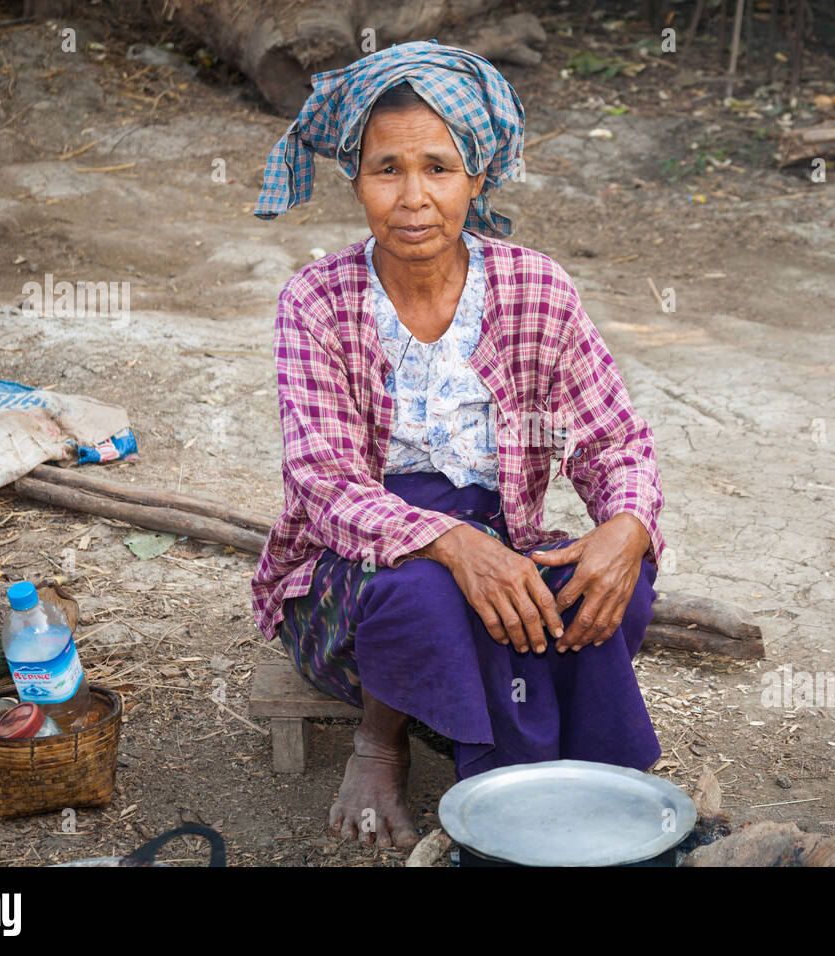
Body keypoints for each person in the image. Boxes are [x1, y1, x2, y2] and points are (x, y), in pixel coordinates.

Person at [250, 40, 666, 849]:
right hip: (354, 571)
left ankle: (590, 777)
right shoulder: (316, 300)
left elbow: (615, 441)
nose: (413, 198)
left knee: (617, 579)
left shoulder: (535, 288)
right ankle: (384, 741)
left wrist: (628, 526)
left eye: (439, 168)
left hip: (505, 539)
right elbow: (326, 484)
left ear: (478, 177)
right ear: (355, 179)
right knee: (430, 596)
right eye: (387, 169)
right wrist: (452, 545)